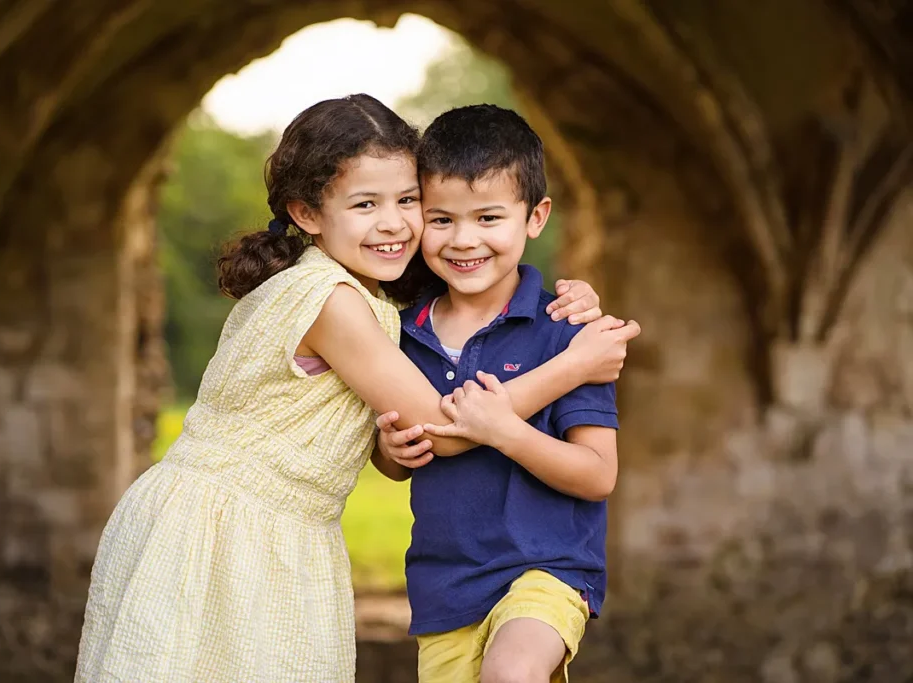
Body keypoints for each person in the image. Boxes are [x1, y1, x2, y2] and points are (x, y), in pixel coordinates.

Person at [74, 94, 631, 682]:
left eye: (409, 201)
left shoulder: (378, 305)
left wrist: (389, 448)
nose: (394, 223)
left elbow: (387, 430)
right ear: (308, 214)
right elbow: (440, 429)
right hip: (230, 531)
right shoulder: (334, 302)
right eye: (366, 204)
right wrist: (576, 363)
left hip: (270, 528)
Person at [376, 104, 639, 683]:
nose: (464, 240)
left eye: (489, 217)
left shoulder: (568, 334)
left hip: (547, 571)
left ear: (535, 216)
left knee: (511, 675)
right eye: (441, 219)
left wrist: (506, 431)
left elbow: (598, 474)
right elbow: (395, 466)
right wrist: (391, 450)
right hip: (446, 587)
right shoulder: (400, 335)